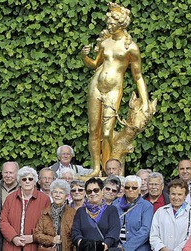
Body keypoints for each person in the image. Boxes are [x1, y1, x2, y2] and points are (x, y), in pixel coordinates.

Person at [80, 0, 154, 176]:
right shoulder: (105, 43)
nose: (109, 25)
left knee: (107, 133)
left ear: (121, 24)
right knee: (93, 130)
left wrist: (144, 101)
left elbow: (138, 76)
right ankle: (96, 168)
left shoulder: (131, 48)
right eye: (108, 23)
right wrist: (84, 57)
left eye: (112, 23)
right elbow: (94, 64)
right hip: (96, 87)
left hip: (113, 89)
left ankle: (109, 170)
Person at [0, 166, 51, 251]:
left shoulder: (44, 199)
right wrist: (13, 237)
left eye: (30, 179)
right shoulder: (10, 198)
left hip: (35, 246)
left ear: (35, 181)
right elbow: (3, 220)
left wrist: (33, 237)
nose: (27, 181)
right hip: (12, 246)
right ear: (19, 181)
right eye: (24, 179)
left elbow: (48, 223)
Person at [149, 179, 191, 251]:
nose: (176, 198)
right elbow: (153, 235)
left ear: (185, 196)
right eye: (173, 194)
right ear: (169, 195)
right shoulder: (160, 211)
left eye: (180, 194)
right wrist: (162, 248)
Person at [72, 178, 120, 250]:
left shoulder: (111, 210)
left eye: (96, 190)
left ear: (102, 191)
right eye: (89, 191)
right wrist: (83, 244)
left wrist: (102, 246)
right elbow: (75, 232)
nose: (93, 193)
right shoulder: (81, 211)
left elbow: (114, 232)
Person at [112, 175, 153, 251]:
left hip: (139, 248)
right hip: (116, 247)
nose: (130, 190)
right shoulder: (115, 203)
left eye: (134, 188)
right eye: (127, 187)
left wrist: (126, 248)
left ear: (139, 189)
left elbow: (145, 230)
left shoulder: (146, 206)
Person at [33, 180, 76, 251]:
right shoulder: (44, 212)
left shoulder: (73, 213)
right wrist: (52, 239)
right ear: (51, 194)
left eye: (61, 193)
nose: (57, 195)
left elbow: (75, 237)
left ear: (66, 196)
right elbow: (37, 235)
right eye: (55, 192)